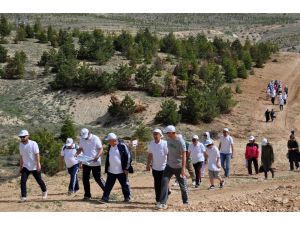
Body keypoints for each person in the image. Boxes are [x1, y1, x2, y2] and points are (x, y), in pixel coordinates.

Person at [156, 125, 189, 209]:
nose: (167, 134)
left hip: (178, 167)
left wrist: (183, 169)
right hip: (169, 166)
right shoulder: (168, 139)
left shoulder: (180, 141)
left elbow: (184, 155)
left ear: (172, 132)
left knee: (182, 185)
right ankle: (163, 202)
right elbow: (168, 152)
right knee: (164, 182)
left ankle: (185, 201)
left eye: (168, 133)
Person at [101, 133, 132, 203]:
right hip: (111, 170)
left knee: (124, 185)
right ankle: (105, 198)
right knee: (108, 185)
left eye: (109, 140)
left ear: (113, 140)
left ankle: (127, 198)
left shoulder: (122, 146)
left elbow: (129, 157)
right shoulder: (110, 146)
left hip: (121, 171)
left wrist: (127, 168)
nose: (108, 142)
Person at [18, 130, 47, 202]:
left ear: (28, 136)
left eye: (24, 137)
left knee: (39, 180)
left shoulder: (33, 144)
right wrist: (21, 166)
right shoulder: (20, 145)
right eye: (21, 137)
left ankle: (44, 191)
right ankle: (24, 197)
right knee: (23, 181)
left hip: (34, 166)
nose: (22, 138)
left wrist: (38, 165)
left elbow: (37, 155)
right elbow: (21, 156)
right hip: (25, 166)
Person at [76, 128, 105, 200]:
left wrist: (97, 157)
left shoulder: (95, 138)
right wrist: (77, 153)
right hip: (86, 162)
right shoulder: (82, 139)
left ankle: (107, 192)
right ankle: (87, 195)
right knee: (85, 179)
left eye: (86, 136)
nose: (85, 138)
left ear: (89, 133)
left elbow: (101, 149)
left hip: (95, 162)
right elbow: (80, 148)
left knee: (98, 179)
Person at [146, 128, 168, 204]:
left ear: (160, 135)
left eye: (156, 134)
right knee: (157, 184)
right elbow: (149, 155)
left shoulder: (165, 143)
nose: (155, 135)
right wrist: (148, 165)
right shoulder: (151, 143)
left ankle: (163, 201)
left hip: (164, 167)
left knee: (163, 184)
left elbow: (168, 154)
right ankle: (158, 200)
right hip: (155, 168)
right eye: (154, 134)